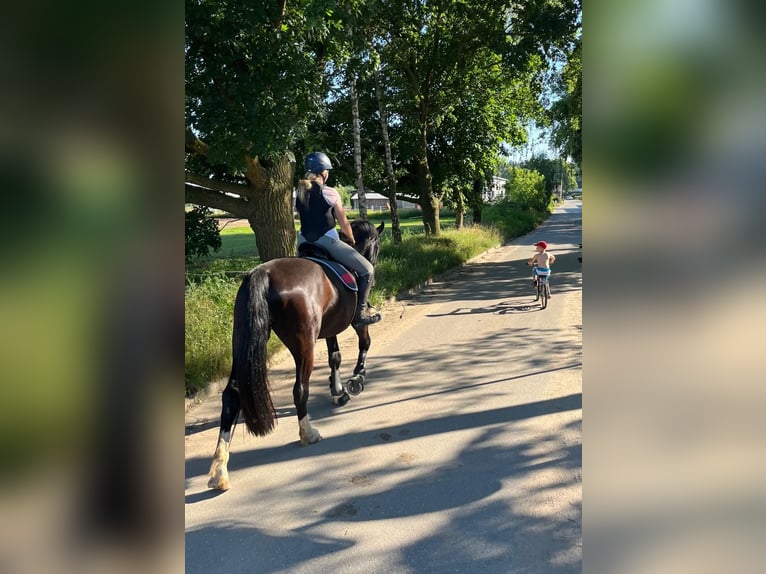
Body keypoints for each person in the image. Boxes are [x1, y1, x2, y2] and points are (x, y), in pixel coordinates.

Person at [295, 151, 381, 327]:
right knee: (367, 270)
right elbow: (344, 224)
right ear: (323, 173)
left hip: (303, 242)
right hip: (326, 242)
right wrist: (351, 239)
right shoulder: (330, 193)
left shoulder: (299, 193)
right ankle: (360, 315)